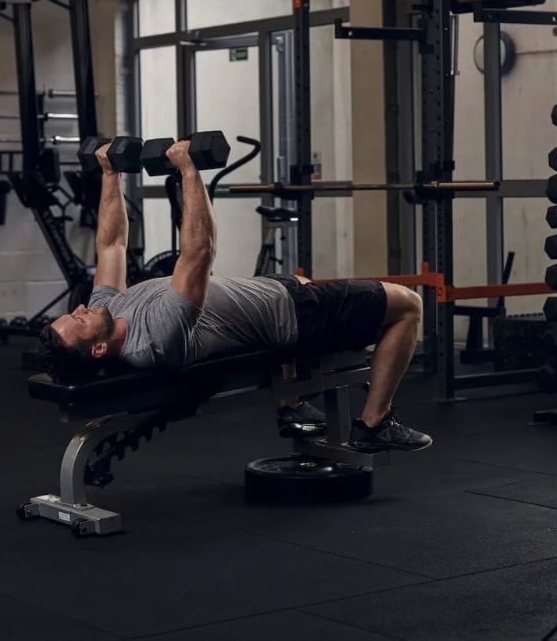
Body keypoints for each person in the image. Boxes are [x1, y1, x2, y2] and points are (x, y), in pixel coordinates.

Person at [38, 140, 432, 453]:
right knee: (407, 305)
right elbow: (199, 252)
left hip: (279, 294)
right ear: (98, 350)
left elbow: (111, 246)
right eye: (76, 322)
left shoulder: (110, 309)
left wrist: (111, 174)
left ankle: (292, 407)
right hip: (293, 317)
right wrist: (189, 169)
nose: (79, 309)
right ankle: (375, 423)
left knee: (305, 282)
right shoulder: (156, 338)